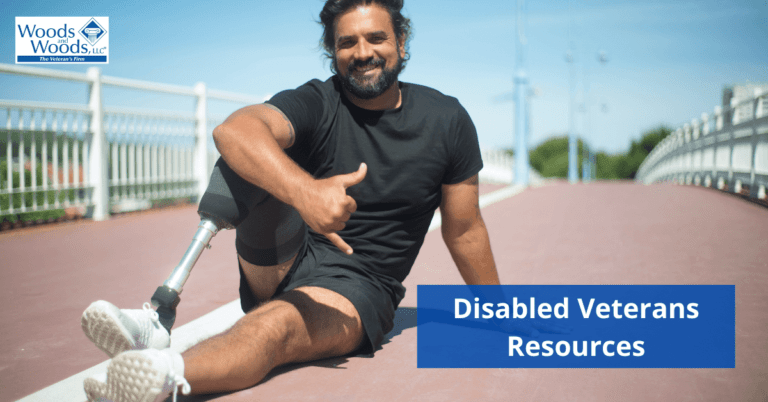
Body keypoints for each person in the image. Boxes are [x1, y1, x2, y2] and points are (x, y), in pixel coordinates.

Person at [80, 1, 500, 401]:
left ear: (401, 43)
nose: (363, 52)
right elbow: (234, 132)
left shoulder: (447, 120)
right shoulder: (320, 99)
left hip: (357, 287)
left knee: (272, 329)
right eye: (347, 42)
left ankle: (160, 378)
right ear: (331, 50)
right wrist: (305, 194)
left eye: (376, 38)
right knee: (243, 157)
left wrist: (496, 313)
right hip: (284, 255)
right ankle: (158, 314)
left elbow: (463, 228)